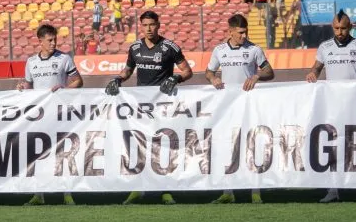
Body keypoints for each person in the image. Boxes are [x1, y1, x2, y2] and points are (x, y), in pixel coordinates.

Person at [105, 11, 193, 205]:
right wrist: (118, 79)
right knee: (139, 144)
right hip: (141, 106)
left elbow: (188, 71)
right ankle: (138, 189)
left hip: (163, 106)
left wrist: (176, 77)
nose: (149, 28)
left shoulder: (170, 47)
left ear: (158, 25)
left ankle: (165, 190)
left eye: (152, 24)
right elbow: (128, 70)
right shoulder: (135, 48)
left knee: (163, 145)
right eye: (145, 25)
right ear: (141, 26)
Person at [305, 11, 356, 203]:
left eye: (343, 28)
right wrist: (313, 74)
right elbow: (316, 68)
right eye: (337, 28)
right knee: (333, 147)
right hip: (333, 106)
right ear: (332, 27)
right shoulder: (325, 47)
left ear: (350, 27)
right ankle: (333, 189)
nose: (340, 32)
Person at [205, 14, 274, 205]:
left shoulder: (254, 49)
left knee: (252, 145)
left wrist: (257, 76)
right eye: (240, 33)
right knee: (228, 146)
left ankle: (255, 191)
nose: (244, 36)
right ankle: (228, 191)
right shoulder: (219, 50)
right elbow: (209, 72)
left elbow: (270, 71)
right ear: (230, 32)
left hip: (249, 107)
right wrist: (213, 79)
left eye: (246, 32)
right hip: (228, 107)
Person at [18, 24, 84, 206]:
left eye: (55, 39)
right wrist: (23, 88)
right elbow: (29, 88)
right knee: (38, 155)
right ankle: (39, 195)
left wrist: (65, 88)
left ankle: (67, 193)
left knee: (63, 152)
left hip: (60, 114)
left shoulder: (64, 59)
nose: (54, 42)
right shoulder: (31, 62)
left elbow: (78, 81)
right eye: (50, 40)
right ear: (40, 41)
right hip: (39, 117)